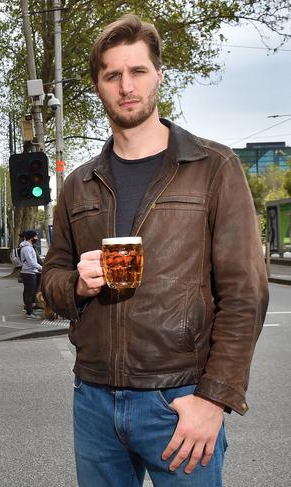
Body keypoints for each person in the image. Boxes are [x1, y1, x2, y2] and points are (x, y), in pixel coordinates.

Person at [41, 14, 268, 487]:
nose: (127, 86)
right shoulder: (78, 184)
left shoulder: (214, 167)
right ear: (99, 87)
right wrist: (76, 285)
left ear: (159, 75)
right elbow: (51, 281)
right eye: (112, 75)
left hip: (180, 401)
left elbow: (245, 295)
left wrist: (214, 399)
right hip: (95, 402)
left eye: (138, 71)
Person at [19, 230, 42, 320]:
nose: (37, 238)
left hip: (29, 272)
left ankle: (30, 310)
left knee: (29, 292)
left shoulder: (27, 247)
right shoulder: (27, 248)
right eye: (36, 236)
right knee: (29, 293)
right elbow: (31, 262)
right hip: (28, 273)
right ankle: (29, 313)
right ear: (31, 237)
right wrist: (42, 268)